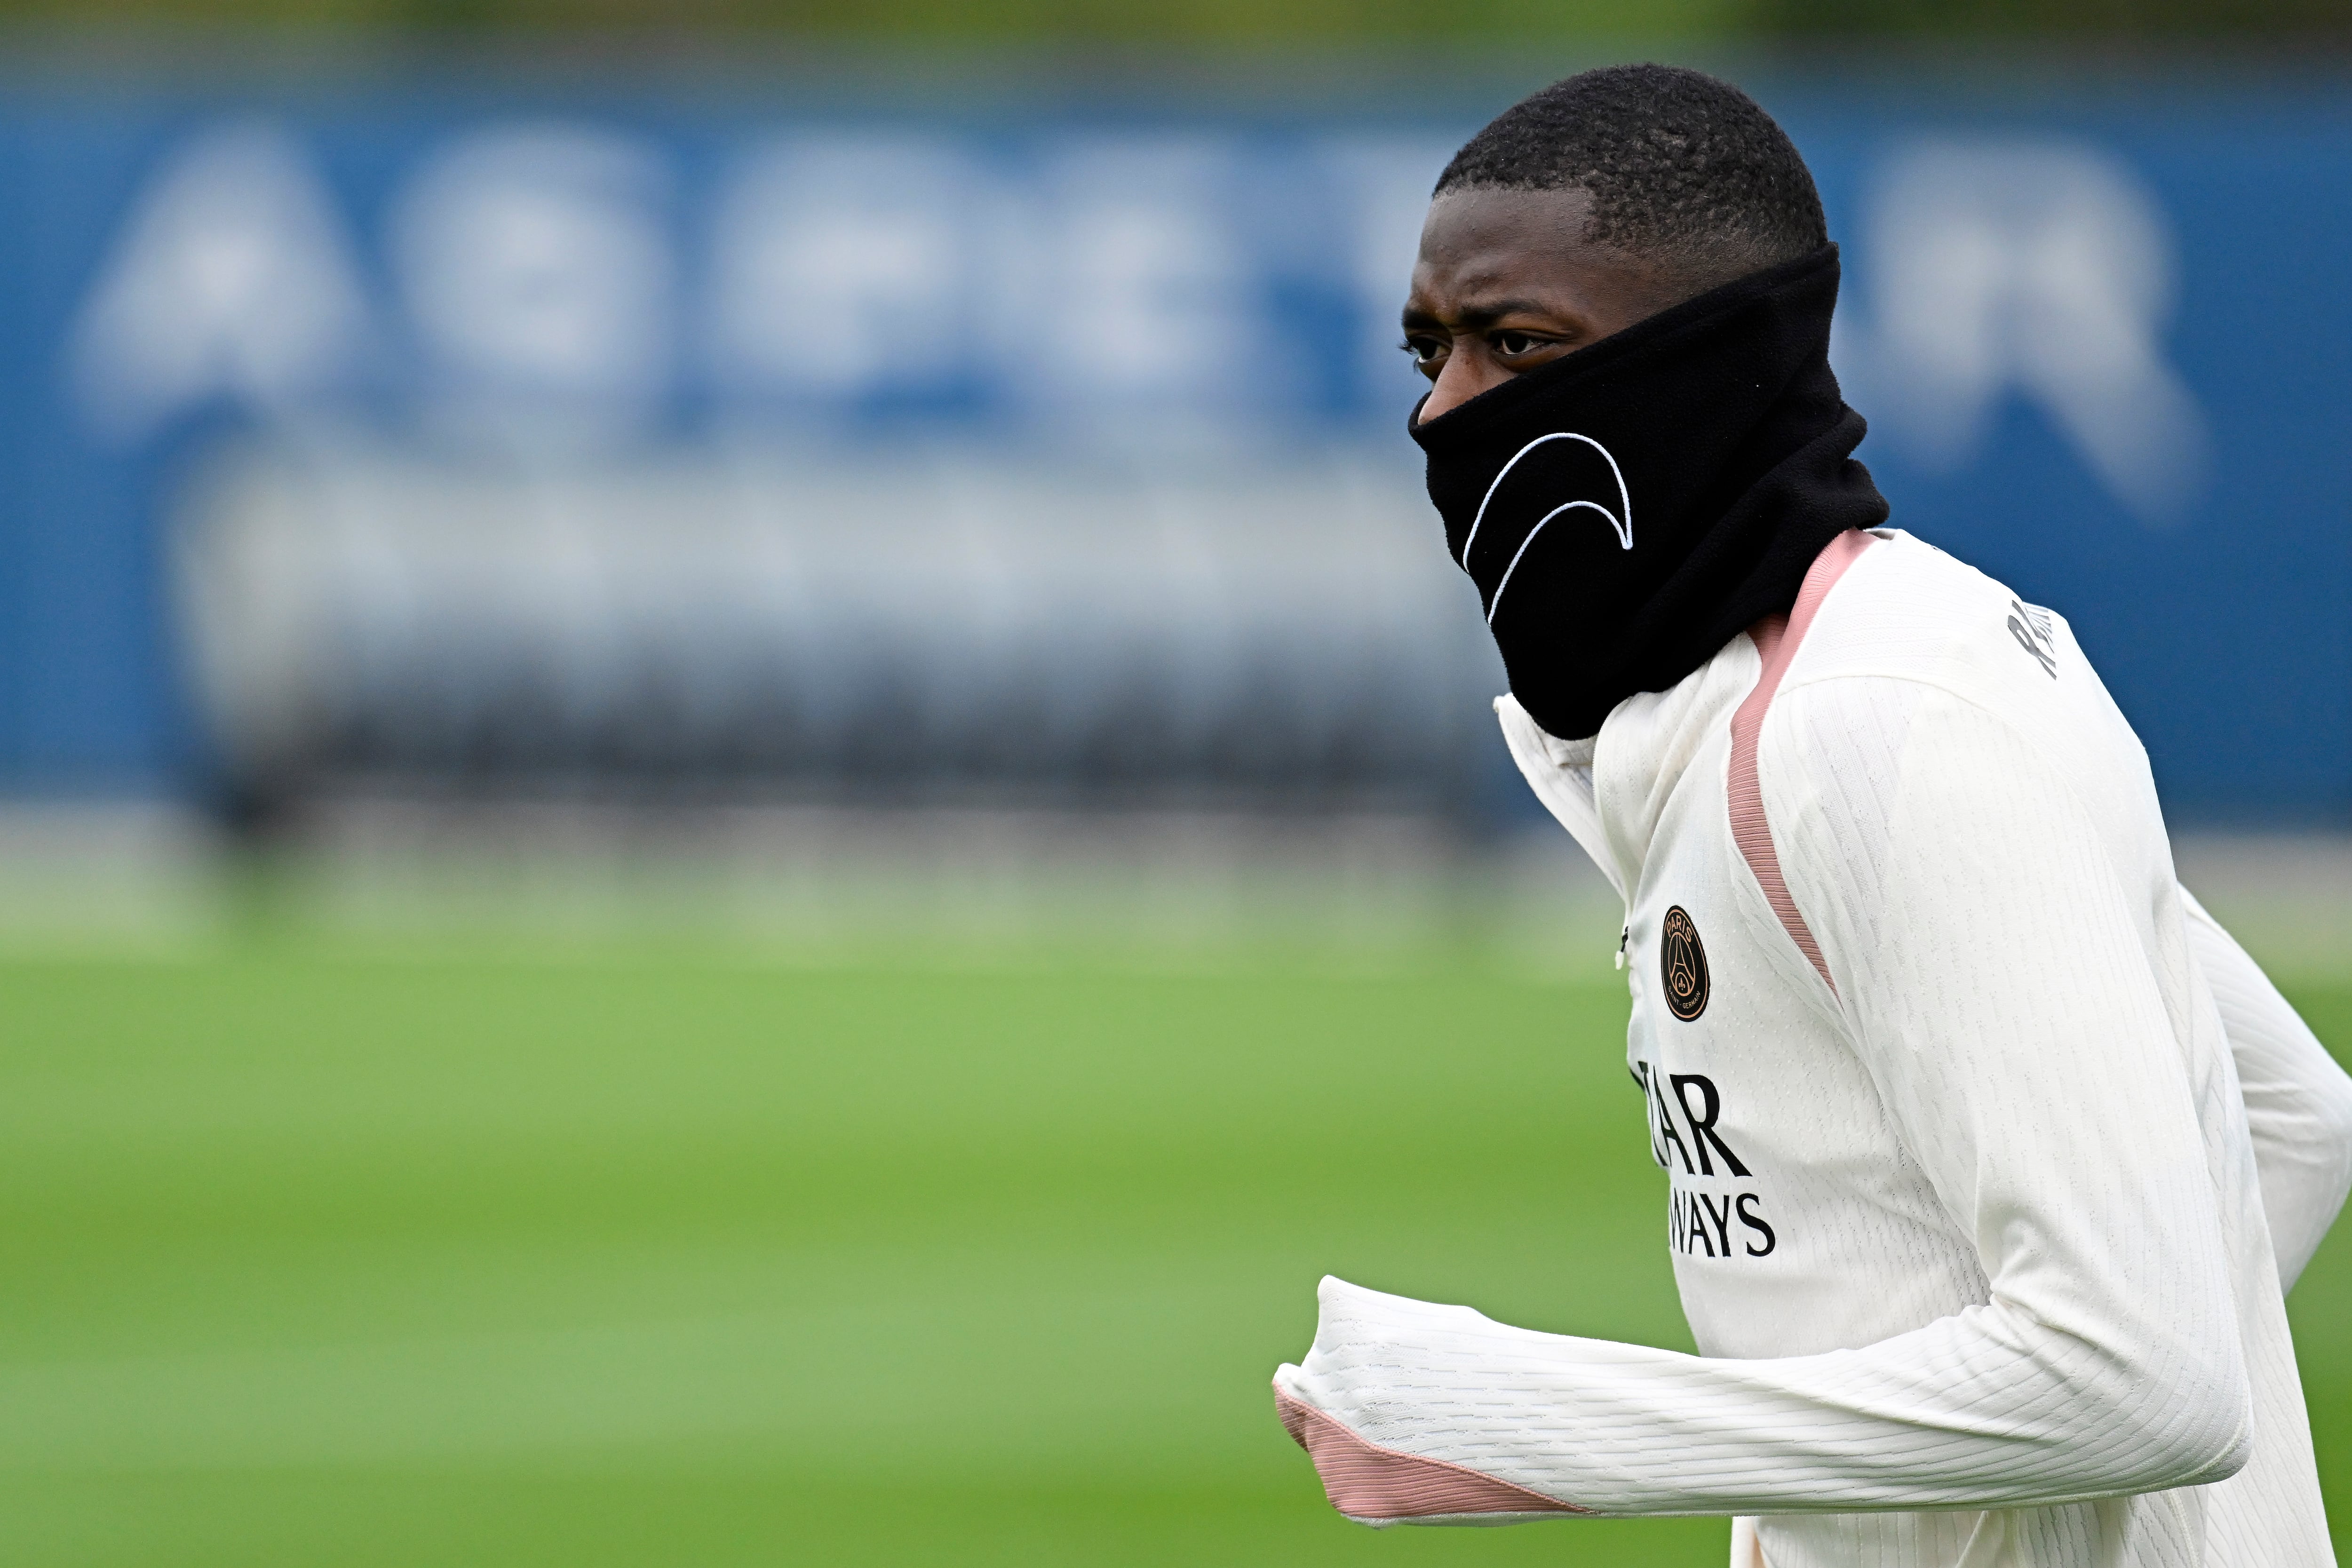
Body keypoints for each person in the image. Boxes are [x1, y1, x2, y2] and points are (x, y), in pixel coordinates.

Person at [1272, 63, 2352, 1568]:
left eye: (1517, 344)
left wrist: (1524, 1419)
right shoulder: (1732, 711)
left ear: (1709, 366)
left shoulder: (1887, 723)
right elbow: (2290, 1116)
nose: (1442, 412)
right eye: (1428, 351)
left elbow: (2148, 1377)